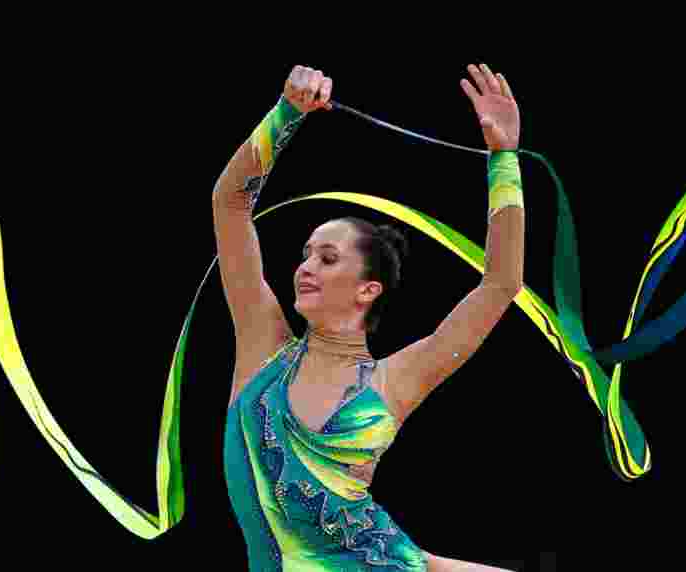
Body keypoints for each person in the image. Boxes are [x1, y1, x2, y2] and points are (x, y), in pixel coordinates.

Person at [214, 63, 524, 572]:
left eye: (328, 258)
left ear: (368, 290)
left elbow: (500, 284)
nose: (305, 267)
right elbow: (229, 203)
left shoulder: (394, 380)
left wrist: (504, 159)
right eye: (306, 254)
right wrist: (286, 113)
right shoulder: (261, 341)